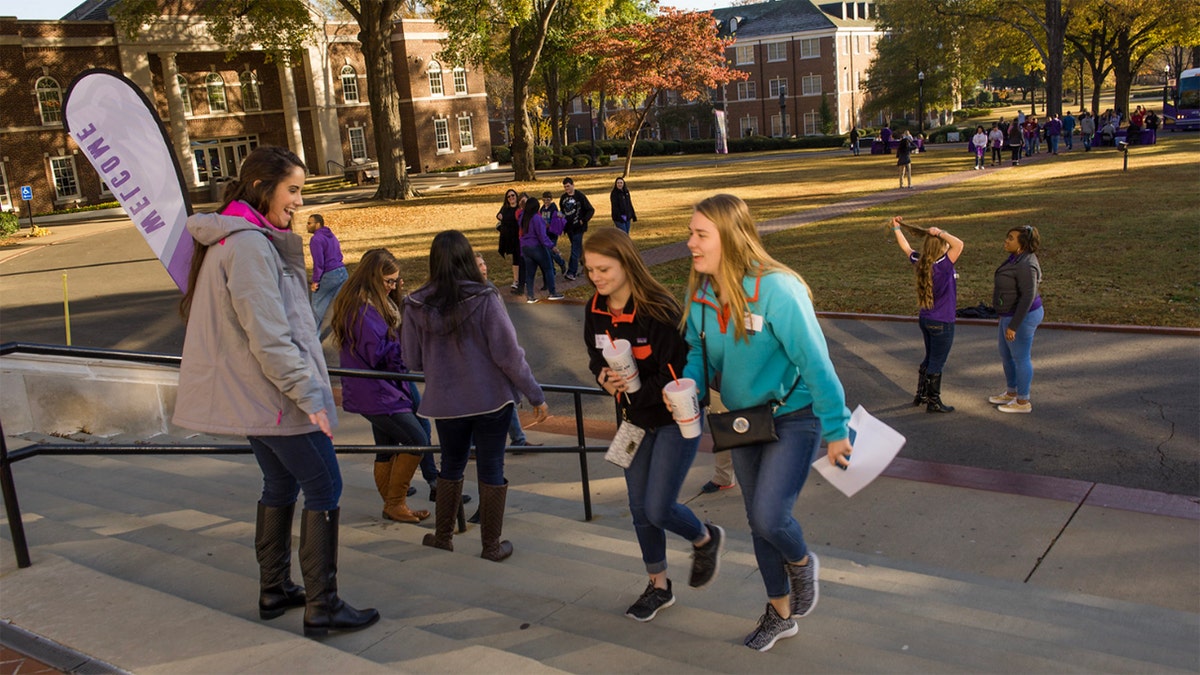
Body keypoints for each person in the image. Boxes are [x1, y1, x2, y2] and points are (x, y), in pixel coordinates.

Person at [173, 145, 378, 638]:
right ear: (263, 189)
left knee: (281, 484)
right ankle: (322, 605)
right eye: (293, 190)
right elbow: (269, 335)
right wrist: (309, 395)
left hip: (256, 397)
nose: (299, 202)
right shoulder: (246, 246)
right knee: (325, 486)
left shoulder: (241, 240)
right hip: (273, 399)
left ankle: (275, 588)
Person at [679, 194, 852, 652]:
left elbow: (816, 362)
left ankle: (801, 561)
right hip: (743, 419)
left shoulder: (778, 289)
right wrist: (689, 391)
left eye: (700, 234)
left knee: (771, 516)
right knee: (757, 522)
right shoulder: (700, 293)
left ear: (730, 238)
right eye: (690, 233)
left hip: (794, 415)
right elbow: (697, 353)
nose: (690, 243)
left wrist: (837, 429)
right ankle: (779, 613)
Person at [581, 228, 723, 623]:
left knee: (659, 507)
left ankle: (704, 537)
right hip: (633, 422)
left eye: (604, 269)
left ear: (626, 263)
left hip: (673, 420)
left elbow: (677, 376)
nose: (596, 277)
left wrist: (634, 391)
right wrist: (603, 378)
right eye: (590, 269)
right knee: (639, 509)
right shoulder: (594, 308)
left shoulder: (659, 310)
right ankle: (658, 586)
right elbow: (595, 358)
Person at [402, 230, 550, 561]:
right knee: (491, 464)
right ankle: (491, 545)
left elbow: (411, 360)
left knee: (451, 464)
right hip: (490, 399)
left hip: (446, 401)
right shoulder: (485, 297)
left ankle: (443, 537)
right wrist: (535, 394)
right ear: (469, 258)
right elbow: (509, 354)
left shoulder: (414, 304)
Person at [330, 248, 430, 524]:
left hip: (379, 389)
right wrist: (405, 344)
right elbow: (379, 354)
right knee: (418, 441)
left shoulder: (368, 305)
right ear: (374, 278)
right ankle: (395, 503)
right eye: (389, 281)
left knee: (386, 447)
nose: (392, 287)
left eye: (395, 281)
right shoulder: (362, 311)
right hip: (377, 392)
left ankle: (392, 504)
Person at [889, 216, 964, 413]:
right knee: (937, 362)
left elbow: (906, 248)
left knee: (930, 357)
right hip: (942, 322)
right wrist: (938, 232)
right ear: (942, 247)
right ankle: (933, 400)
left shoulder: (921, 262)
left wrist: (896, 229)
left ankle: (921, 393)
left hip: (926, 318)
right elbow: (960, 244)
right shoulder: (943, 266)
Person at [990, 226, 1043, 414]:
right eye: (1007, 236)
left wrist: (1013, 325)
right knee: (1006, 355)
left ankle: (1023, 401)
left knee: (1021, 357)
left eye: (1011, 238)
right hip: (1008, 315)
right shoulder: (1016, 258)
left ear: (1022, 244)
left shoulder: (1027, 264)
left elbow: (1028, 297)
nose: (1006, 240)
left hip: (1021, 317)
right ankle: (1011, 392)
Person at [307, 213, 347, 337]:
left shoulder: (316, 239)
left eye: (309, 223)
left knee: (316, 310)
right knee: (343, 308)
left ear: (318, 224)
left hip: (329, 275)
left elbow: (319, 264)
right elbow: (339, 255)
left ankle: (311, 342)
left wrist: (315, 281)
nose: (307, 226)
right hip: (342, 273)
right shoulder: (331, 236)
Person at [519, 193, 564, 303]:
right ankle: (552, 292)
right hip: (536, 247)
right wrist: (552, 247)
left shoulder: (522, 217)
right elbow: (542, 237)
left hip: (525, 247)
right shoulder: (537, 218)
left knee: (530, 273)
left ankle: (530, 296)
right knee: (548, 268)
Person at [559, 177, 594, 281]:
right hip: (569, 228)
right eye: (565, 187)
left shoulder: (580, 196)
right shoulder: (563, 198)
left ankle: (571, 272)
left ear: (573, 185)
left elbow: (590, 210)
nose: (566, 189)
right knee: (578, 249)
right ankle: (587, 265)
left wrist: (583, 220)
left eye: (568, 186)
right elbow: (562, 209)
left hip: (578, 228)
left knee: (574, 250)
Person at [496, 189, 525, 295]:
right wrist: (500, 216)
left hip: (520, 237)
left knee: (521, 258)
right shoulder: (505, 208)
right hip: (510, 238)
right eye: (509, 197)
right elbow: (498, 215)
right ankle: (516, 280)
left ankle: (522, 280)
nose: (511, 198)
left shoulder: (520, 207)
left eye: (513, 195)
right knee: (515, 259)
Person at [538, 191, 567, 276]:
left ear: (551, 199)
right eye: (545, 200)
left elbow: (557, 218)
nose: (546, 201)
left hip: (552, 233)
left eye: (548, 199)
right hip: (545, 234)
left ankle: (561, 263)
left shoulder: (553, 208)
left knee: (551, 252)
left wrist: (550, 225)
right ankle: (552, 271)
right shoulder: (542, 208)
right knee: (548, 253)